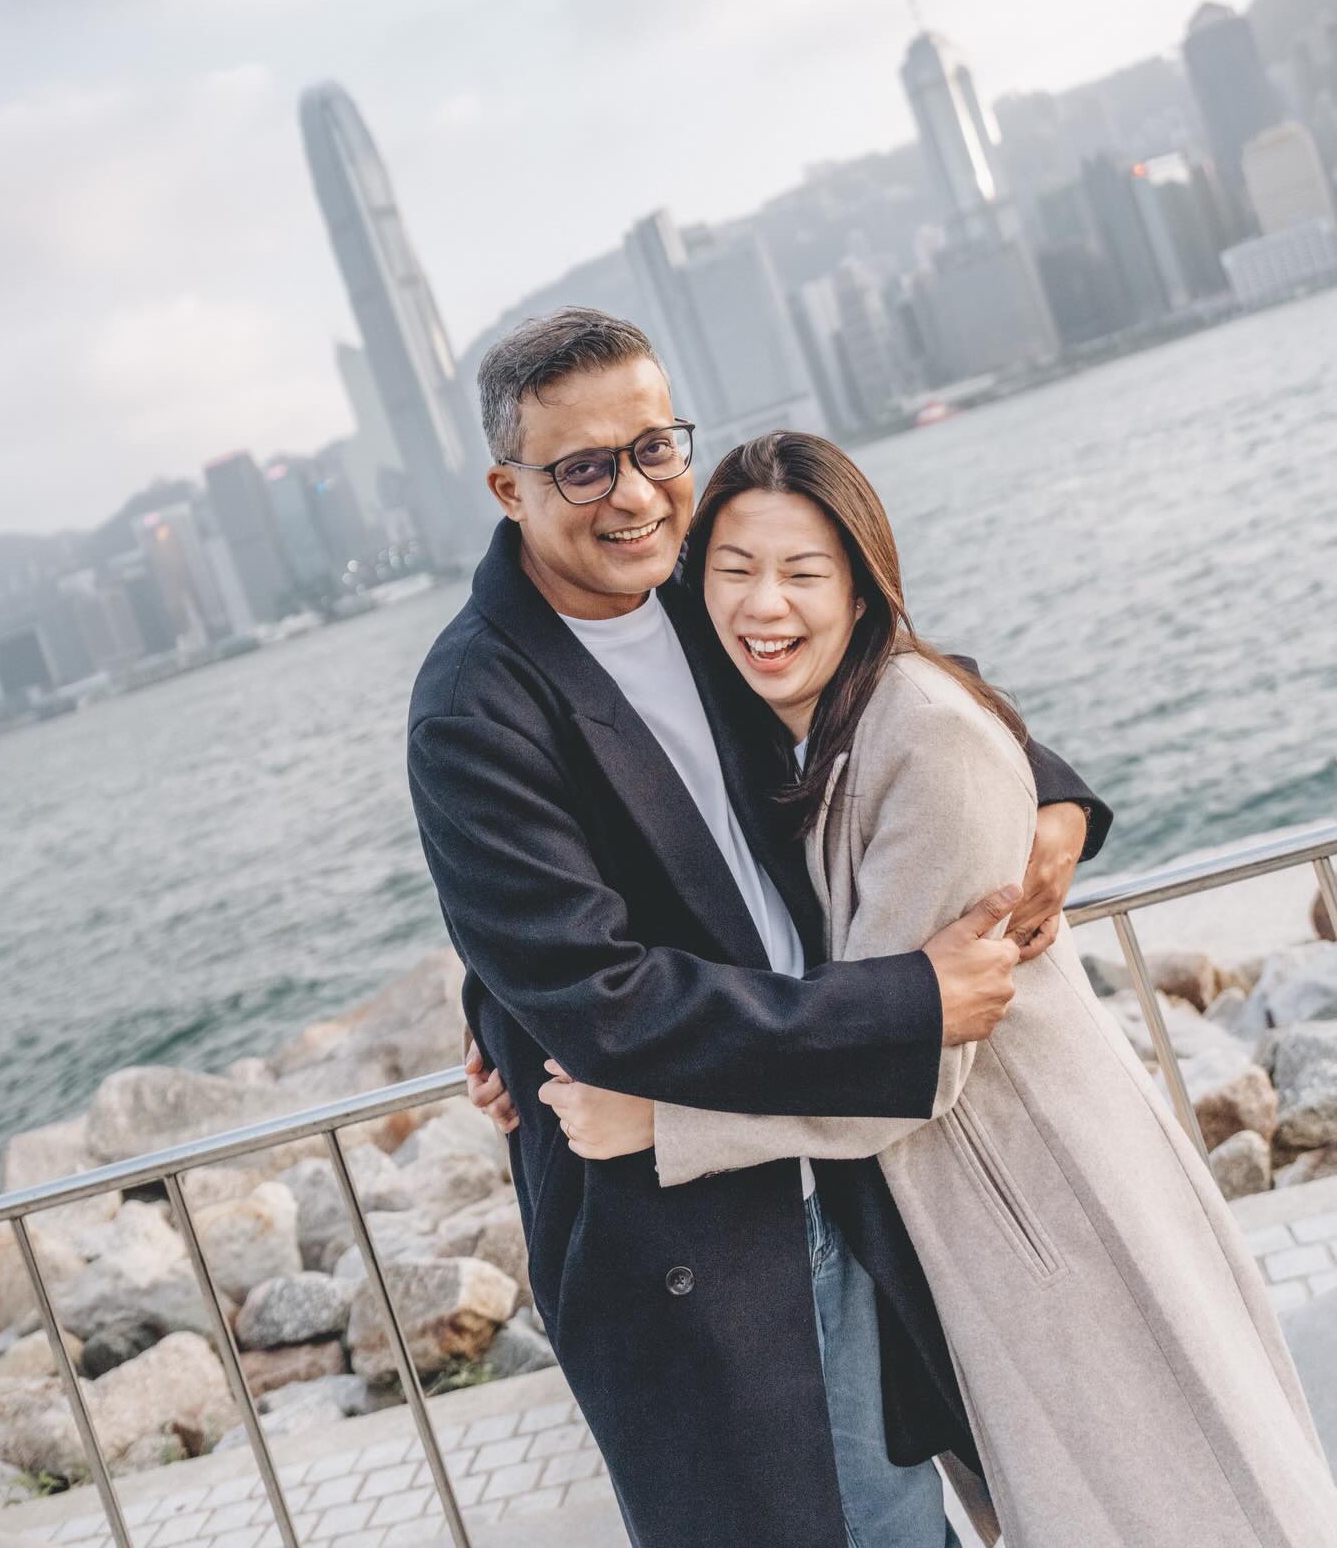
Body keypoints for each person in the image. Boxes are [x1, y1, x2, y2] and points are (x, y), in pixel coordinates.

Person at [540, 430, 1337, 1548]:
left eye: (804, 573)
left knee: (1176, 1497)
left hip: (1042, 1196)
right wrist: (505, 1029)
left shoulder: (919, 734)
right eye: (732, 571)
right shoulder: (784, 720)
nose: (763, 605)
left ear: (864, 588)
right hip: (963, 1209)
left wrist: (660, 1123)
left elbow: (904, 1062)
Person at [408, 307, 1110, 1548]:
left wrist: (1046, 789)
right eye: (583, 467)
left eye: (654, 448)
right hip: (698, 1230)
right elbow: (604, 1000)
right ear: (506, 488)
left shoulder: (706, 593)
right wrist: (907, 1004)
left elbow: (883, 676)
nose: (632, 495)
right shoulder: (473, 708)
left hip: (848, 1158)